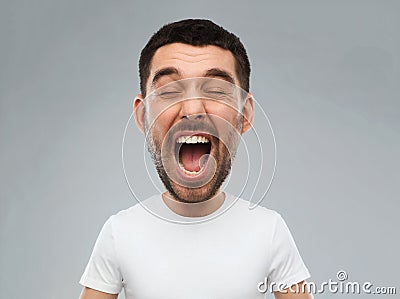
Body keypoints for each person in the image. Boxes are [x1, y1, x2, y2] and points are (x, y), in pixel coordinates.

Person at [79, 19, 313, 299]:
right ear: (142, 116)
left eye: (215, 90)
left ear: (245, 115)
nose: (192, 109)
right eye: (168, 91)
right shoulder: (120, 231)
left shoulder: (269, 229)